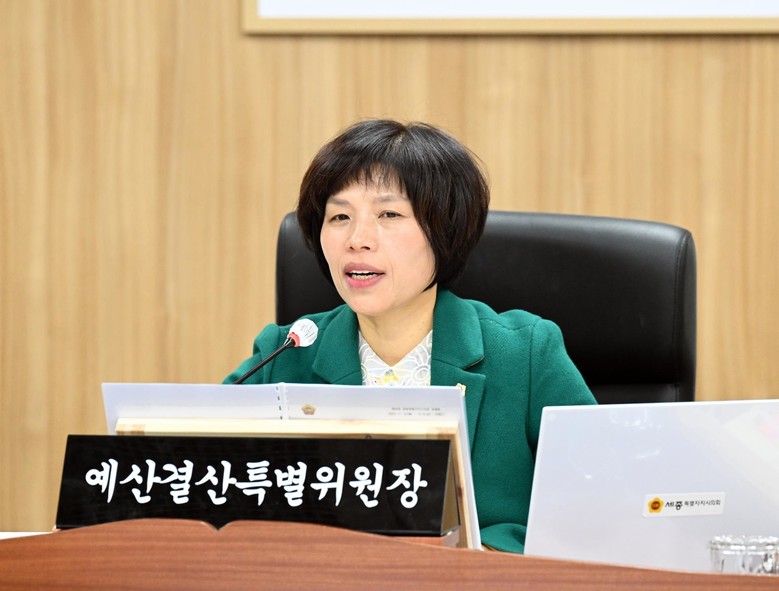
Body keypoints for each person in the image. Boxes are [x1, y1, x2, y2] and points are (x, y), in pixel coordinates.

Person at [224, 119, 597, 553]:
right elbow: (205, 491)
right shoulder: (283, 355)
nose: (358, 240)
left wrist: (475, 557)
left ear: (445, 231)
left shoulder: (525, 353)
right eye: (340, 216)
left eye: (389, 214)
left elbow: (598, 510)